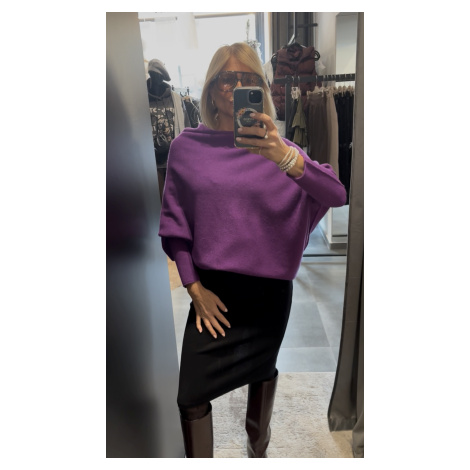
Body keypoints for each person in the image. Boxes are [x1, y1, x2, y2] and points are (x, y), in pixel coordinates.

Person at [158, 42, 347, 458]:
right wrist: (194, 289)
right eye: (228, 78)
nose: (236, 86)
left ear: (260, 89)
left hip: (268, 296)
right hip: (213, 293)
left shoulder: (277, 148)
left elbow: (336, 193)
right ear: (211, 90)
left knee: (261, 372)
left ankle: (257, 447)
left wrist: (283, 156)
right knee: (190, 396)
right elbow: (175, 227)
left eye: (248, 79)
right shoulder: (186, 148)